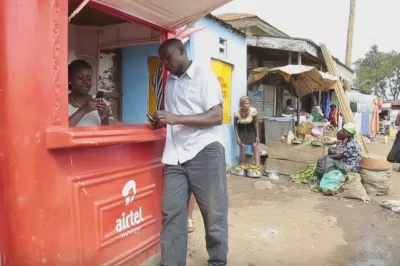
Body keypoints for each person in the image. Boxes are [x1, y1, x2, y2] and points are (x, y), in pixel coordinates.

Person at [152, 38, 227, 266]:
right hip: (175, 155)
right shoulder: (170, 82)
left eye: (168, 57)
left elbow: (217, 116)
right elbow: (178, 118)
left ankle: (217, 262)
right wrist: (163, 121)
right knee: (172, 215)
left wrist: (175, 118)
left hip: (204, 151)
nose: (166, 64)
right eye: (162, 60)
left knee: (213, 214)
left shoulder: (204, 76)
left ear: (182, 51)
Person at [68, 59, 109, 127]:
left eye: (89, 79)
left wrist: (105, 119)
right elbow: (60, 131)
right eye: (80, 78)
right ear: (69, 78)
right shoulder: (59, 105)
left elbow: (106, 132)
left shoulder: (100, 103)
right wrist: (84, 110)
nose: (86, 82)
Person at [234, 96, 260, 167]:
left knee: (255, 146)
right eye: (246, 103)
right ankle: (242, 165)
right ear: (241, 104)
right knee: (242, 146)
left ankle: (257, 166)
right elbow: (235, 125)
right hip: (241, 129)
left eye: (249, 103)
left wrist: (257, 136)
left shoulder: (253, 111)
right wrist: (237, 137)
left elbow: (256, 123)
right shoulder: (237, 112)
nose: (248, 105)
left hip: (251, 129)